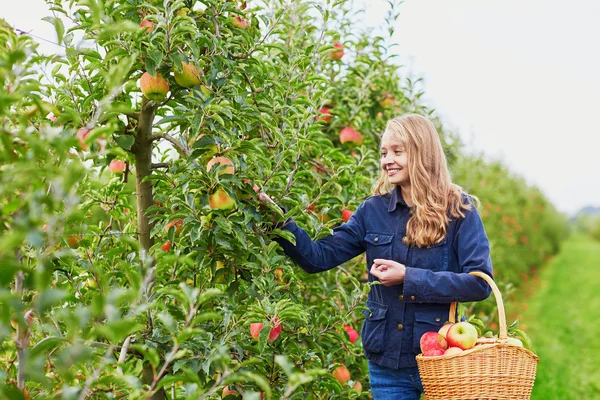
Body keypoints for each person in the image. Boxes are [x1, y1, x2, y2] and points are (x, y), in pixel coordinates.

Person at [263, 113, 493, 400]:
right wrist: (279, 222)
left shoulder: (459, 211)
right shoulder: (372, 211)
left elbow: (479, 283)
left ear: (422, 153)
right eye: (384, 153)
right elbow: (318, 258)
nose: (387, 160)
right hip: (387, 364)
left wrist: (408, 277)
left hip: (441, 357)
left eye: (398, 151)